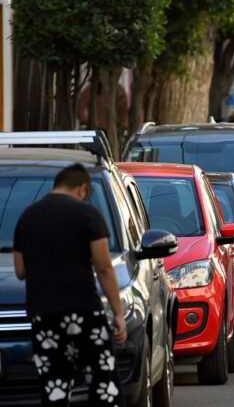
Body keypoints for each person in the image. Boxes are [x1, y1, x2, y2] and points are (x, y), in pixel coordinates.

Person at [13, 163, 127, 406]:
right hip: (84, 312)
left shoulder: (27, 217)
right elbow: (104, 267)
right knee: (102, 380)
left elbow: (20, 271)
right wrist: (118, 313)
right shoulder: (88, 215)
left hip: (44, 316)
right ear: (82, 189)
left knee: (53, 383)